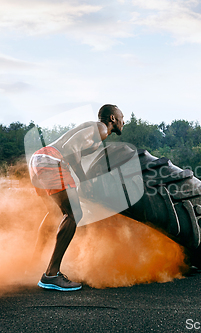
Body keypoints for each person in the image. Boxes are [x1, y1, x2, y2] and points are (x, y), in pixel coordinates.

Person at [29, 104, 124, 291]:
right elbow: (71, 149)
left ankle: (33, 263)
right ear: (112, 118)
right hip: (52, 161)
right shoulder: (101, 128)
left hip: (40, 159)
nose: (124, 121)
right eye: (121, 117)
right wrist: (84, 180)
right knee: (74, 214)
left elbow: (75, 151)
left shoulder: (94, 131)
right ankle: (51, 275)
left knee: (54, 213)